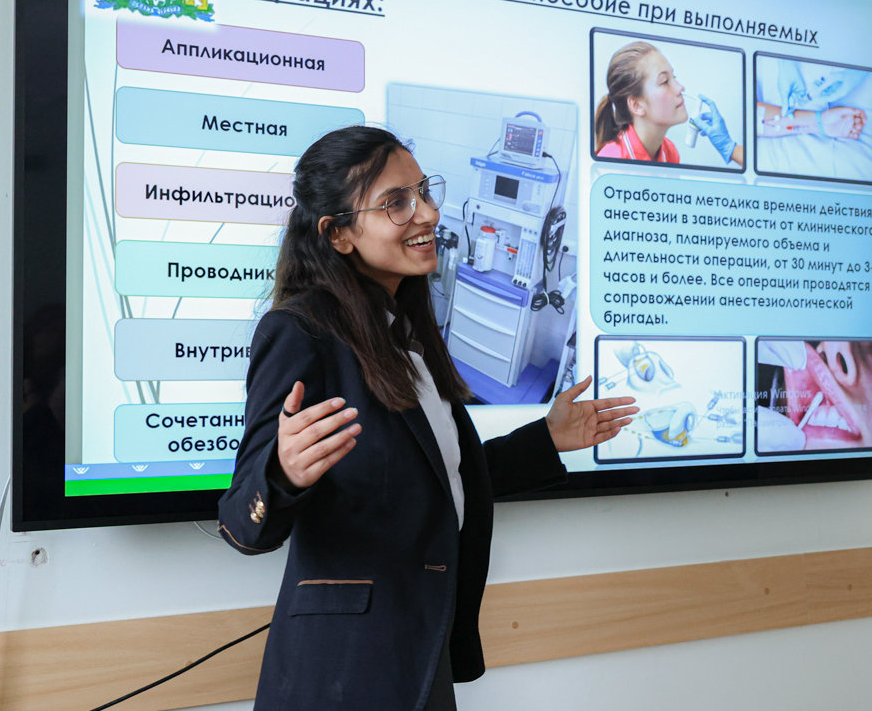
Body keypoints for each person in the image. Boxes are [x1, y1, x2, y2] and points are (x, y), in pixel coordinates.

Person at [217, 125, 637, 710]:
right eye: (397, 202)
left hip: (420, 645)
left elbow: (437, 479)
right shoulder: (299, 332)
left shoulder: (406, 332)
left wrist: (547, 439)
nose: (429, 214)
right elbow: (241, 521)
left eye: (424, 192)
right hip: (344, 671)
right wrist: (282, 474)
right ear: (338, 234)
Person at [593, 40, 744, 167]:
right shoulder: (611, 162)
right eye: (665, 81)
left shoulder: (669, 152)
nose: (680, 88)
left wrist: (730, 148)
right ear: (637, 105)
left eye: (674, 77)